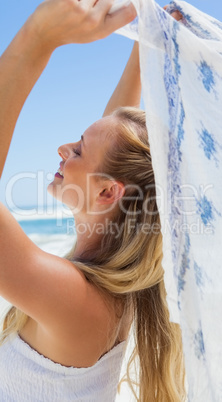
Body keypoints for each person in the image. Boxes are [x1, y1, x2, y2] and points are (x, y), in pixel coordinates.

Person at [0, 0, 185, 400]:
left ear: (106, 194)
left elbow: (115, 160)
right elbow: (117, 158)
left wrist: (39, 38)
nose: (62, 148)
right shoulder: (113, 290)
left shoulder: (75, 299)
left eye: (79, 149)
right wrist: (144, 45)